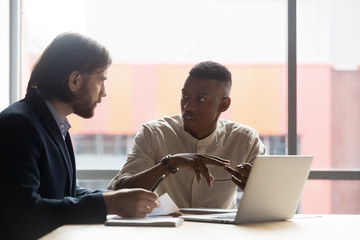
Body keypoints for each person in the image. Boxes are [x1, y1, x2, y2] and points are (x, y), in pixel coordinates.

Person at [0, 32, 160, 240]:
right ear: (74, 80)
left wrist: (119, 199)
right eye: (101, 80)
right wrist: (111, 204)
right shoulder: (18, 124)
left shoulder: (51, 123)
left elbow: (64, 192)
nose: (104, 93)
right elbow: (25, 214)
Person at [108, 61, 266, 209]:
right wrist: (170, 164)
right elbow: (119, 192)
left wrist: (257, 191)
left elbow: (270, 205)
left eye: (201, 99)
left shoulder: (246, 141)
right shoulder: (154, 134)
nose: (188, 106)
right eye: (185, 96)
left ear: (223, 105)